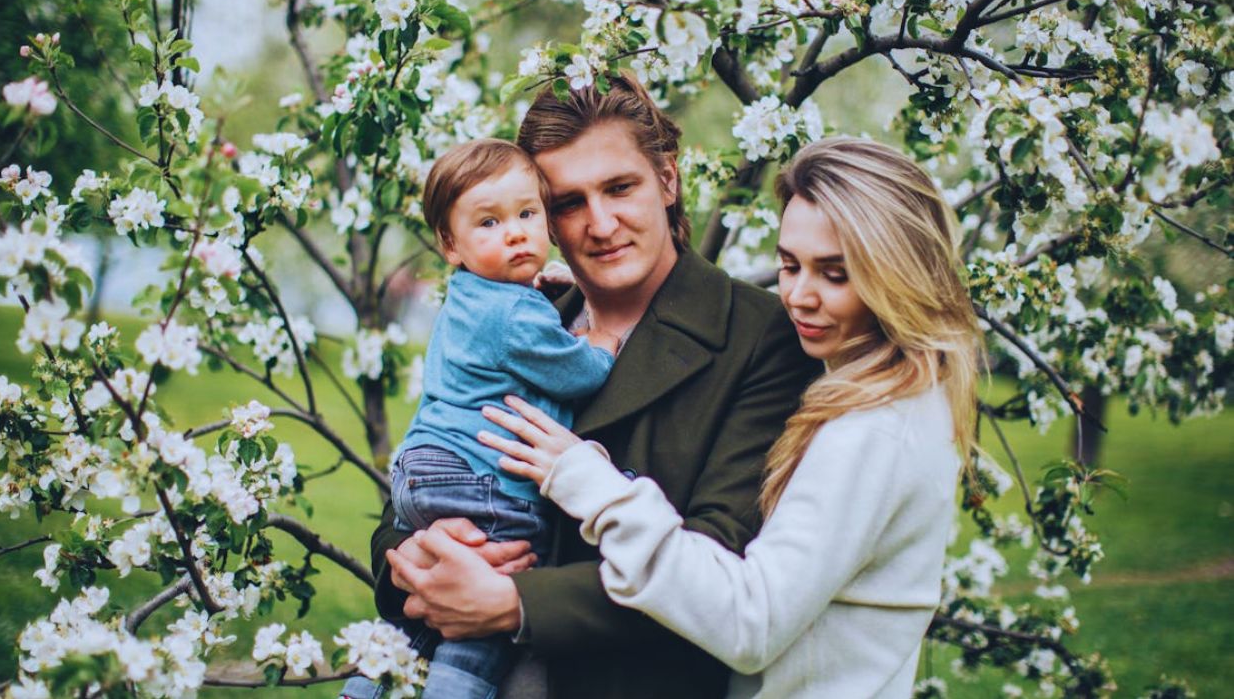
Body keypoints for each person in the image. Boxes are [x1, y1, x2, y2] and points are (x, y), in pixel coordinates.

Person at [467, 137, 984, 698]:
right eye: (790, 265)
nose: (800, 297)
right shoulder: (870, 400)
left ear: (899, 273)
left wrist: (589, 482)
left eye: (836, 274)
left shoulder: (875, 430)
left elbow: (749, 621)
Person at [368, 74, 817, 699]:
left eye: (620, 187)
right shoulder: (526, 316)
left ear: (668, 178)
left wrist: (513, 602)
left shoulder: (759, 336)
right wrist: (409, 555)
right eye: (568, 203)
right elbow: (436, 451)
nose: (600, 224)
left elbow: (723, 558)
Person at [347, 139, 618, 699]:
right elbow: (579, 374)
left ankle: (366, 687)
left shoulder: (471, 295)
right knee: (484, 607)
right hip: (482, 482)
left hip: (421, 475)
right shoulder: (517, 311)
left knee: (417, 617)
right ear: (451, 244)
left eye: (527, 214)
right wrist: (603, 343)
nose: (516, 232)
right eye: (489, 223)